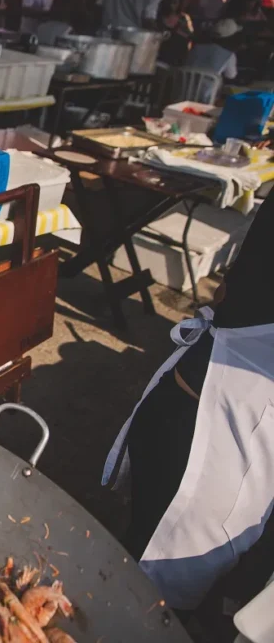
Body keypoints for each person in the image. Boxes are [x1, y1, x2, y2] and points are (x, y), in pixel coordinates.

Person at [103, 195, 274, 611]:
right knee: (143, 594)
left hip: (221, 418)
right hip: (207, 422)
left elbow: (231, 289)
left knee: (151, 586)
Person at [185, 18, 241, 99]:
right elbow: (231, 75)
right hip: (206, 97)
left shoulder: (196, 47)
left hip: (183, 90)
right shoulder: (229, 55)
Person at [156, 0, 192, 66]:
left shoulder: (183, 19)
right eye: (170, 2)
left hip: (175, 56)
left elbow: (188, 36)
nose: (172, 4)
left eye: (175, 2)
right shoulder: (157, 18)